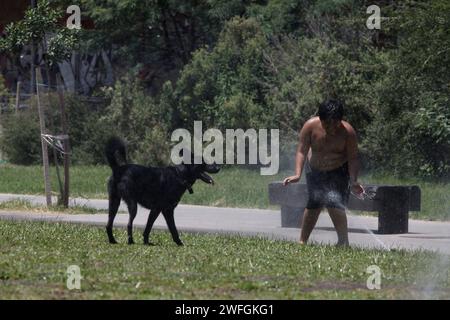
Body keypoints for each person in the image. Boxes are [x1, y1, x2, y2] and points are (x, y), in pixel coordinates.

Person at [283, 99, 364, 246]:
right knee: (314, 204)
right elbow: (302, 151)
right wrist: (297, 174)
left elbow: (353, 158)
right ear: (321, 119)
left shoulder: (348, 132)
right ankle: (302, 241)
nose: (332, 128)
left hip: (339, 171)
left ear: (341, 120)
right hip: (315, 171)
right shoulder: (310, 126)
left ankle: (343, 242)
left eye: (336, 124)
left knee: (336, 205)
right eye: (327, 124)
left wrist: (353, 180)